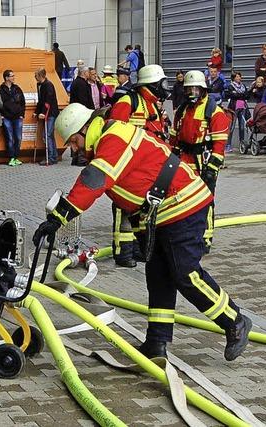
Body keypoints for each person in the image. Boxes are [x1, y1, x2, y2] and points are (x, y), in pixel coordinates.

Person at [33, 103, 252, 361]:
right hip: (166, 213)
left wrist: (58, 218)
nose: (74, 149)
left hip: (184, 205)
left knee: (185, 274)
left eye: (73, 141)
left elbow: (93, 181)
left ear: (84, 129)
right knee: (158, 276)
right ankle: (156, 343)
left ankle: (234, 321)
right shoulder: (108, 138)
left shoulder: (113, 138)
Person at [109, 64, 170, 267]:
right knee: (122, 209)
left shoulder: (151, 104)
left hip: (147, 166)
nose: (165, 87)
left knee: (140, 209)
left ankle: (136, 248)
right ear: (151, 84)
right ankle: (122, 252)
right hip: (128, 165)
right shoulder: (129, 101)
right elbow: (114, 132)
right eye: (162, 83)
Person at [169, 70, 231, 253]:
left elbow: (220, 144)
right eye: (189, 90)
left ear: (203, 90)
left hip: (204, 161)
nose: (192, 94)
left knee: (205, 200)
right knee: (181, 199)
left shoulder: (214, 112)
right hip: (184, 160)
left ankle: (205, 237)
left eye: (196, 89)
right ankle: (186, 234)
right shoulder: (182, 110)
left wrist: (212, 167)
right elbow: (174, 138)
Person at [0, 69, 26, 167]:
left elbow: (22, 102)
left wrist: (22, 114)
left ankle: (16, 157)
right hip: (6, 117)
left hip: (17, 117)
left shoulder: (17, 88)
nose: (14, 77)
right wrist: (1, 115)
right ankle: (11, 158)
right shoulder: (0, 90)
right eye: (12, 76)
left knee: (18, 137)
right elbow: (0, 104)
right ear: (6, 78)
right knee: (9, 138)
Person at [34, 67, 59, 166]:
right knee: (49, 135)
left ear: (40, 75)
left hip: (50, 113)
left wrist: (43, 113)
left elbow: (47, 101)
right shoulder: (40, 85)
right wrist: (37, 111)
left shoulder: (48, 85)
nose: (35, 77)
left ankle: (51, 157)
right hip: (48, 112)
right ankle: (54, 156)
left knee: (47, 135)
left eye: (36, 75)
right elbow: (41, 100)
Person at [225, 71, 248, 152]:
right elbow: (232, 95)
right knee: (232, 127)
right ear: (234, 78)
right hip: (233, 108)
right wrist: (240, 95)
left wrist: (238, 95)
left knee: (242, 127)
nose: (238, 78)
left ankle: (242, 144)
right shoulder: (230, 86)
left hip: (242, 107)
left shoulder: (243, 86)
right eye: (237, 77)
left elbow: (246, 95)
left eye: (239, 77)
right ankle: (228, 145)